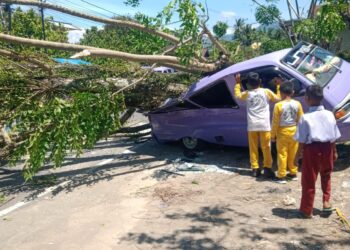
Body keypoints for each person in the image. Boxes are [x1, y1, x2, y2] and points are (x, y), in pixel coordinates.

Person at [294, 85, 341, 218]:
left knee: (309, 180)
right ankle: (326, 202)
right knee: (326, 175)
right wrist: (334, 151)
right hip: (327, 148)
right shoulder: (329, 114)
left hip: (312, 150)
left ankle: (306, 210)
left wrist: (297, 156)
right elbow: (333, 135)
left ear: (307, 99)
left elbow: (301, 140)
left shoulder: (305, 117)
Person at [234, 72, 281, 178]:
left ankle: (255, 169)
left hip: (252, 125)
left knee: (253, 147)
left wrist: (237, 83)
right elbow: (278, 98)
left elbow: (237, 95)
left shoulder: (247, 93)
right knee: (266, 147)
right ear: (260, 82)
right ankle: (267, 168)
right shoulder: (266, 92)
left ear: (249, 84)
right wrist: (278, 85)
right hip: (264, 125)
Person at [271, 81, 304, 184]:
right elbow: (301, 119)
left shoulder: (278, 105)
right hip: (294, 130)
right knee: (293, 153)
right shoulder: (297, 104)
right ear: (293, 92)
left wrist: (273, 135)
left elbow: (275, 122)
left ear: (281, 93)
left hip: (282, 132)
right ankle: (293, 173)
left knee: (282, 154)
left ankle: (281, 175)